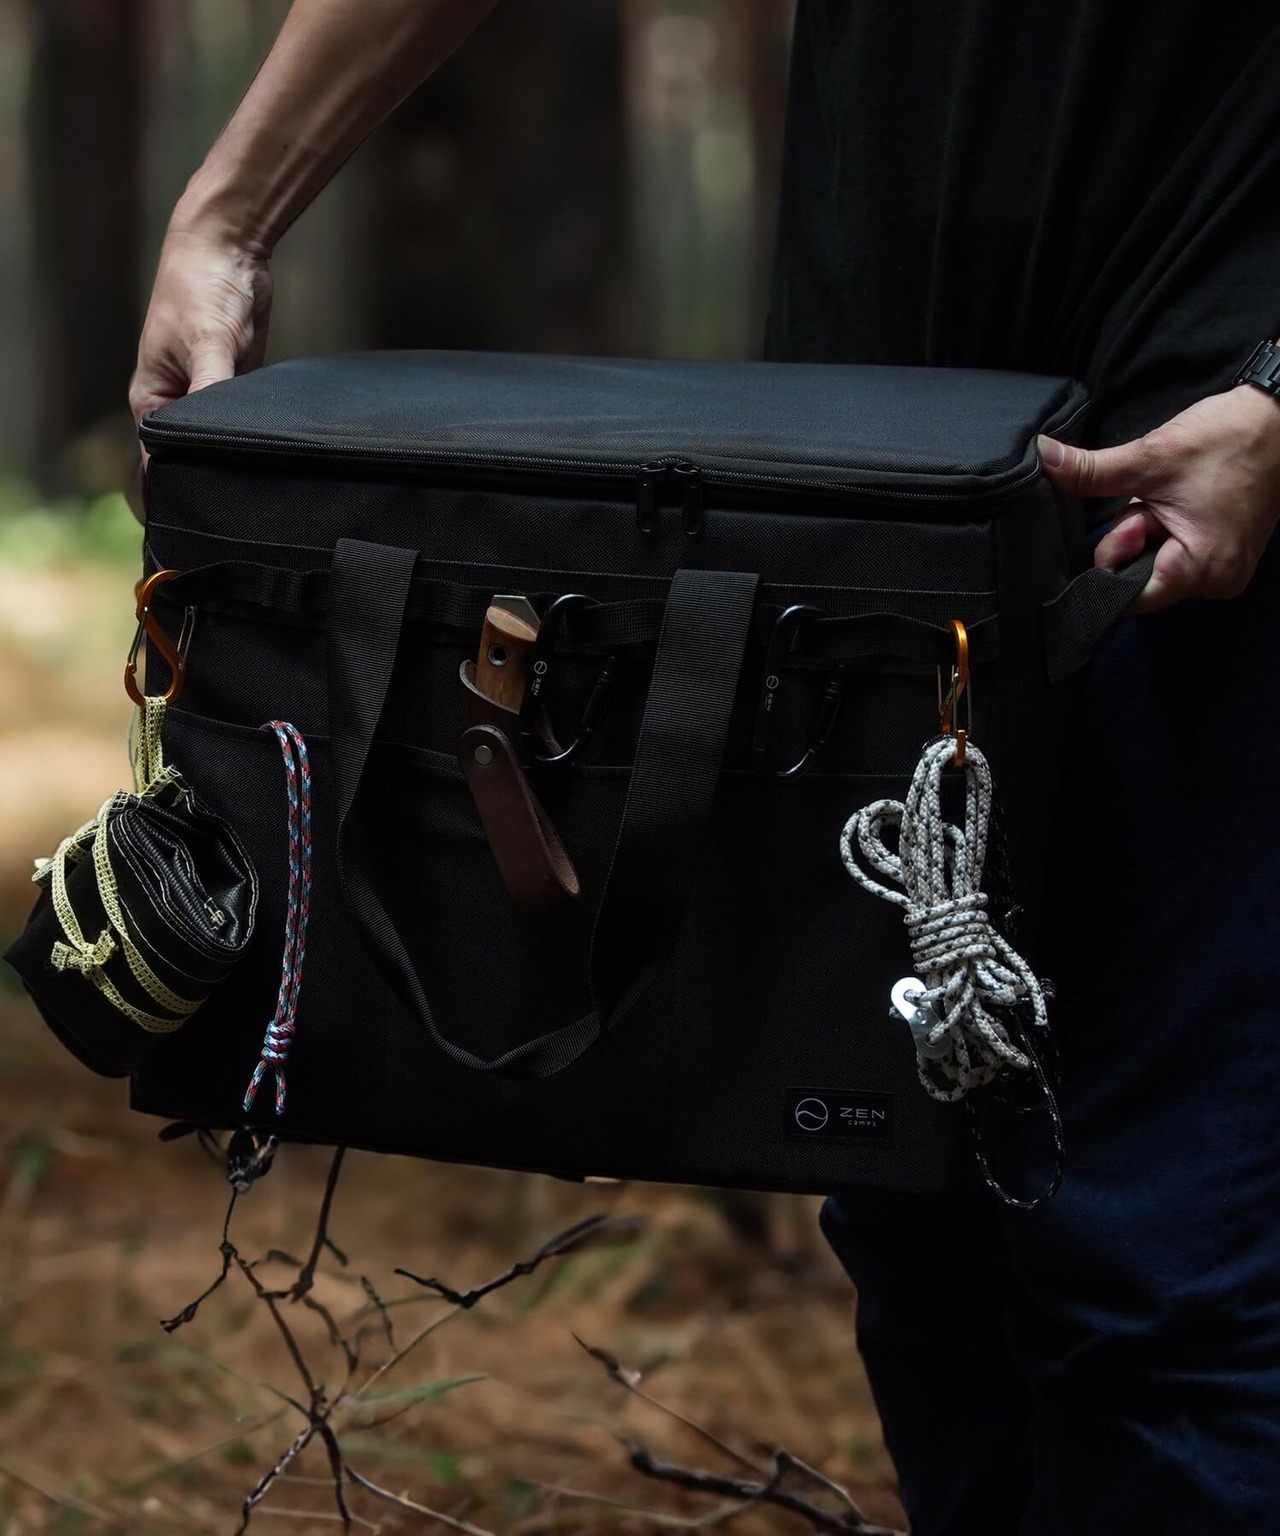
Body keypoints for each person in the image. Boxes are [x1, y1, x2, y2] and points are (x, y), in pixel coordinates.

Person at [131, 4, 1280, 1532]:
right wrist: (225, 218)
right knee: (919, 1221)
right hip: (876, 490)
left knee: (1161, 1262)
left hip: (1188, 479)